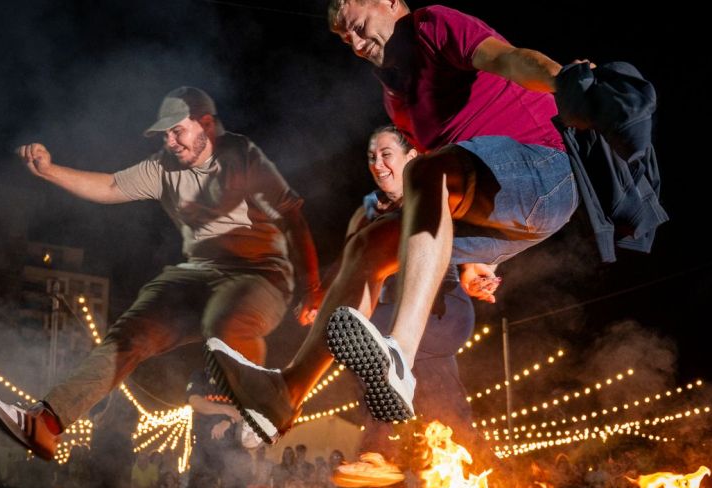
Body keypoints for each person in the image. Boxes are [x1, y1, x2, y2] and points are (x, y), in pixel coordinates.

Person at [207, 1, 581, 443]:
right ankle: (284, 395)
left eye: (360, 28)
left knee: (424, 171)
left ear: (389, 3)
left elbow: (506, 57)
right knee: (371, 244)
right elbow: (448, 193)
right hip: (496, 206)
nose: (358, 45)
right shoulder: (398, 98)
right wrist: (474, 254)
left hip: (546, 171)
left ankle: (398, 354)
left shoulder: (431, 25)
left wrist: (564, 81)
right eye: (347, 41)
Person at [0, 86, 322, 462]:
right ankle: (46, 423)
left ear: (205, 125)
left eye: (178, 131)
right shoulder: (163, 167)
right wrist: (50, 172)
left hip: (259, 276)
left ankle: (273, 404)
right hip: (200, 275)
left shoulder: (241, 156)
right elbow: (110, 185)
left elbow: (292, 213)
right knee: (131, 335)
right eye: (165, 135)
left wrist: (313, 286)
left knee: (224, 321)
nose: (170, 141)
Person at [349, 126, 478, 459]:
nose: (378, 164)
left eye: (386, 155)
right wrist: (318, 293)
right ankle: (491, 477)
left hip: (444, 311)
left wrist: (477, 267)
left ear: (412, 157)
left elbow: (470, 238)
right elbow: (349, 269)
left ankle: (377, 446)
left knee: (358, 333)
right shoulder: (366, 215)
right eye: (371, 157)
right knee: (447, 403)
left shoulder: (436, 195)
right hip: (408, 326)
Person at [182, 369, 253, 488]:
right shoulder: (200, 376)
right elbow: (196, 402)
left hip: (234, 450)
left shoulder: (237, 378)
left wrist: (228, 421)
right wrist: (227, 410)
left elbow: (246, 410)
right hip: (205, 448)